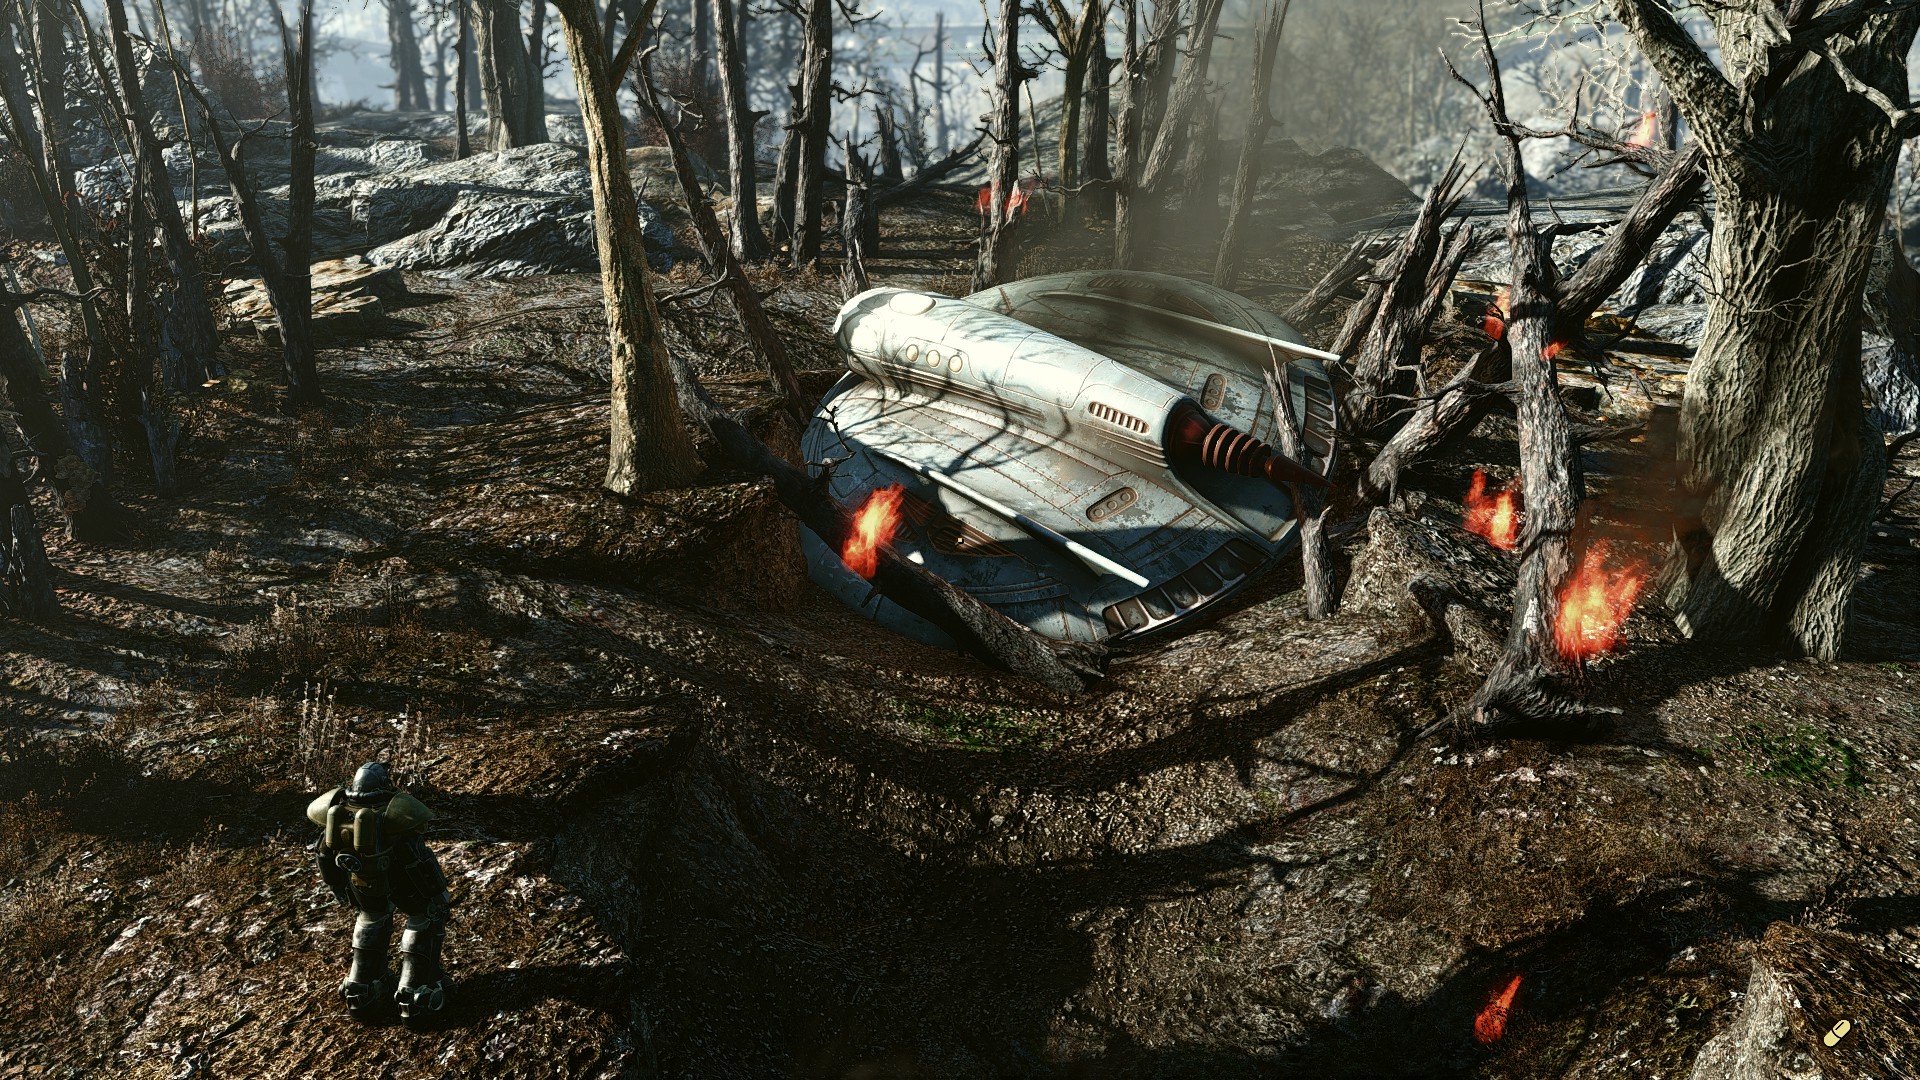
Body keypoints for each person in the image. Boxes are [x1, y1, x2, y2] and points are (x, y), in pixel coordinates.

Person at [307, 761, 452, 1025]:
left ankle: (361, 990)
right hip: (399, 880)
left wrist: (337, 885)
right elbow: (417, 860)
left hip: (359, 883)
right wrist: (436, 893)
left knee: (371, 916)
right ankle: (416, 991)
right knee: (426, 916)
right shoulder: (395, 813)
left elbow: (323, 853)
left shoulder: (336, 812)